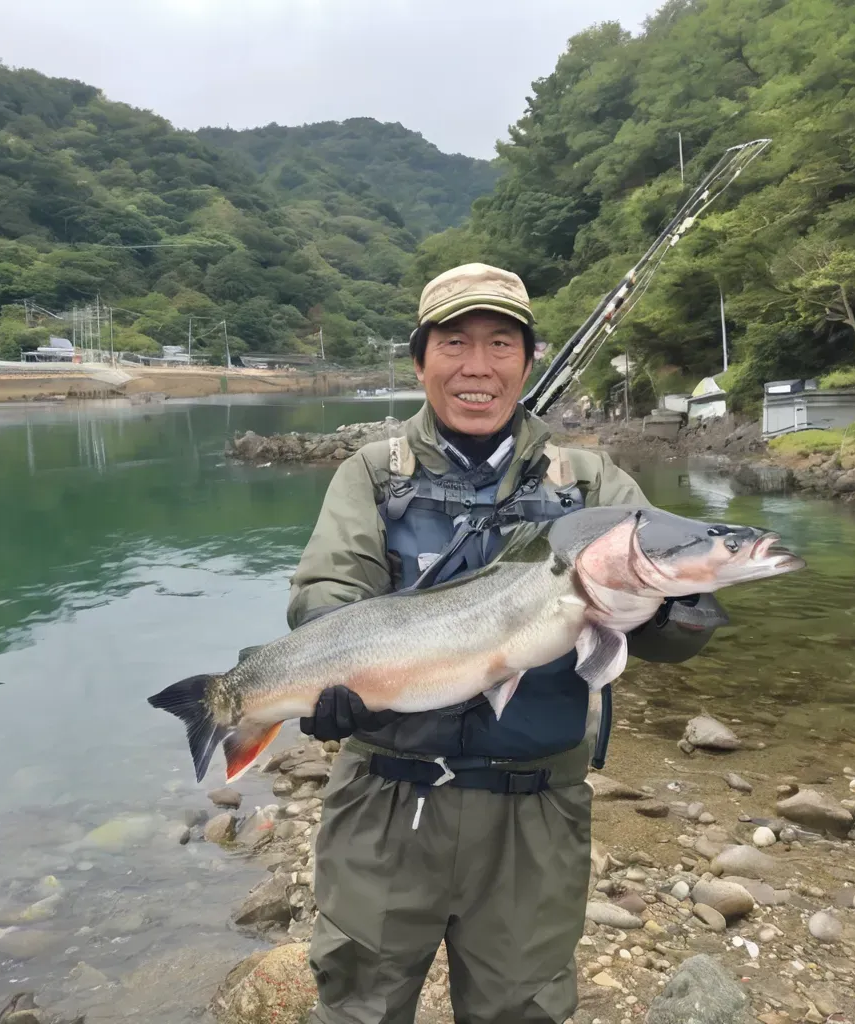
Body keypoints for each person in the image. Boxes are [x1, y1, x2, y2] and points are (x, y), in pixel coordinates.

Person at [287, 263, 724, 1024]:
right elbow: (327, 593)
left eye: (501, 344)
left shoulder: (589, 485)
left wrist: (663, 611)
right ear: (421, 358)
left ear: (528, 361)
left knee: (521, 1012)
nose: (477, 367)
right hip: (387, 801)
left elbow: (686, 621)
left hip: (536, 812)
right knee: (357, 1006)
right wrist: (329, 670)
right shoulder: (373, 474)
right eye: (454, 343)